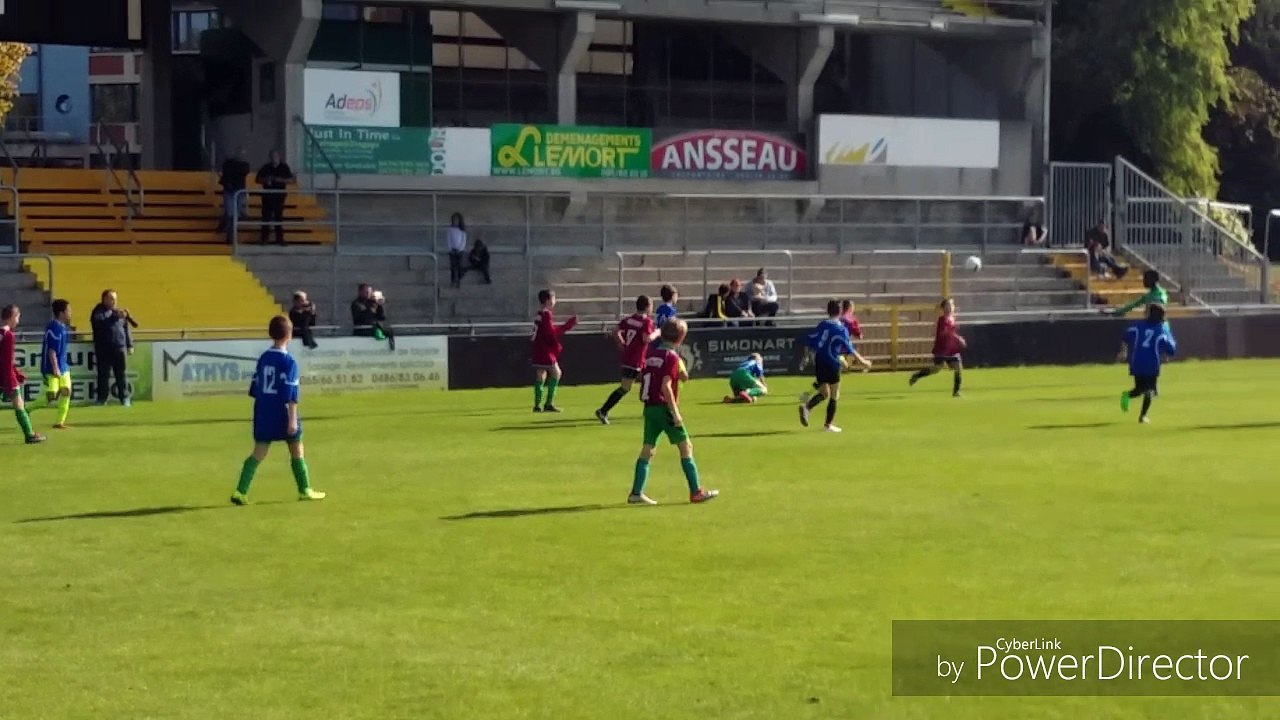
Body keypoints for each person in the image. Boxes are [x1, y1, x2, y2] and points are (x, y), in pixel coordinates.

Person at [230, 315, 326, 505]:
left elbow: (255, 389)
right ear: (289, 335)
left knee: (258, 452)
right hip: (282, 412)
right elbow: (291, 394)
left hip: (264, 411)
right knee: (296, 448)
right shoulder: (288, 362)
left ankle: (240, 491)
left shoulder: (264, 358)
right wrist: (292, 419)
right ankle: (305, 489)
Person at [629, 318, 718, 506]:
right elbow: (666, 386)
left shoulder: (652, 354)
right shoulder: (671, 358)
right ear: (681, 338)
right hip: (664, 409)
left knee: (648, 449)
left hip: (650, 408)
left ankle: (636, 492)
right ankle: (696, 492)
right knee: (686, 447)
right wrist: (675, 412)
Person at [800, 300, 870, 433]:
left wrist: (806, 356)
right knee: (834, 394)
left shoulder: (822, 324)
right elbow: (850, 348)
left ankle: (807, 407)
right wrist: (863, 361)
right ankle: (828, 425)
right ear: (839, 312)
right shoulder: (840, 328)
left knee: (824, 393)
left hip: (819, 361)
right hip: (832, 361)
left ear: (828, 311)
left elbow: (809, 340)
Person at [595, 295, 659, 425]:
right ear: (648, 307)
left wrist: (623, 345)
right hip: (636, 360)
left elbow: (615, 331)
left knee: (639, 384)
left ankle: (604, 410)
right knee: (637, 385)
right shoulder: (646, 322)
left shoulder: (629, 319)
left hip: (628, 358)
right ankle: (603, 410)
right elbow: (646, 338)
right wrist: (657, 332)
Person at [1119, 303, 1176, 424]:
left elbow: (1125, 336)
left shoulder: (1138, 325)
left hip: (1137, 362)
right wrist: (1167, 355)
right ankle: (1142, 416)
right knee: (1150, 391)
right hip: (1151, 364)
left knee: (1139, 389)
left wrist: (1123, 351)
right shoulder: (1161, 329)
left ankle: (1127, 395)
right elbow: (1171, 348)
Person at [1, 305, 46, 444]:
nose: (18, 321)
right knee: (19, 405)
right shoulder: (9, 336)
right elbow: (7, 361)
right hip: (6, 377)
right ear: (12, 316)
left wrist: (17, 373)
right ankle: (29, 434)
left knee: (19, 404)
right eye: (18, 317)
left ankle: (30, 434)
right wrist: (11, 379)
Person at [531, 289, 578, 413]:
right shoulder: (546, 314)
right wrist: (568, 325)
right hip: (545, 349)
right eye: (553, 298)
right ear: (548, 300)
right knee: (556, 373)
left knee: (541, 373)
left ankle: (537, 404)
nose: (555, 301)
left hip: (537, 347)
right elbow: (552, 333)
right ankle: (549, 403)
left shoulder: (539, 314)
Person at [908, 297, 966, 397]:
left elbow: (951, 333)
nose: (951, 307)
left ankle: (956, 391)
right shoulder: (942, 319)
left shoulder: (952, 319)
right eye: (948, 304)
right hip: (942, 349)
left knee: (958, 367)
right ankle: (917, 375)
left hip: (951, 349)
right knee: (937, 368)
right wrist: (955, 336)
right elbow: (942, 333)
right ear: (943, 307)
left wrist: (957, 338)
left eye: (952, 304)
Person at [90, 289, 133, 406]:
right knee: (103, 375)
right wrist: (115, 316)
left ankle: (124, 397)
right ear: (104, 299)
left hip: (119, 348)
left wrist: (129, 345)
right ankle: (102, 398)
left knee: (121, 374)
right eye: (111, 299)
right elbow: (99, 324)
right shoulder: (98, 311)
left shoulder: (119, 313)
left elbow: (126, 330)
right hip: (104, 349)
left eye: (115, 299)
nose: (114, 301)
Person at [40, 299, 73, 429]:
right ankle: (26, 409)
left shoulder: (62, 327)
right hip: (52, 367)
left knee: (67, 391)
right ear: (61, 313)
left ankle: (60, 422)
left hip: (63, 365)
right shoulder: (54, 327)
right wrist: (55, 368)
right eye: (68, 310)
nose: (71, 313)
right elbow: (51, 351)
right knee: (51, 395)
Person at [255, 150, 294, 245]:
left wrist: (280, 180)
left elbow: (291, 180)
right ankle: (264, 238)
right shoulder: (266, 167)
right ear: (270, 157)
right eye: (272, 156)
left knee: (278, 218)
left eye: (275, 156)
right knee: (266, 218)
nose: (274, 157)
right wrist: (266, 180)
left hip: (279, 196)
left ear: (279, 156)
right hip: (267, 196)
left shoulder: (284, 167)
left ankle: (279, 239)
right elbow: (257, 179)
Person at [217, 146, 251, 242]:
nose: (240, 154)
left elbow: (242, 172)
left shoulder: (244, 165)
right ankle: (230, 237)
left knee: (233, 214)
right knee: (231, 214)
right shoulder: (228, 163)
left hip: (239, 191)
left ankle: (224, 225)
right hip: (229, 190)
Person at [350, 284, 395, 351]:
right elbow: (363, 318)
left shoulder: (371, 303)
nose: (368, 294)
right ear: (360, 292)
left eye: (369, 292)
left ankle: (391, 345)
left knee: (389, 331)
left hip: (372, 329)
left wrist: (379, 305)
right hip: (362, 330)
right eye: (366, 292)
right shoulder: (356, 304)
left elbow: (381, 317)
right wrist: (371, 308)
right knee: (378, 331)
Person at [447, 213, 467, 288]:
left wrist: (460, 249)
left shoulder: (462, 230)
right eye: (454, 220)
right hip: (452, 250)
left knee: (459, 266)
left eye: (457, 220)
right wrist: (450, 249)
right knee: (453, 266)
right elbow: (448, 240)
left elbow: (463, 240)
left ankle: (459, 280)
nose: (455, 221)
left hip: (460, 251)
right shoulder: (450, 229)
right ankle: (453, 281)